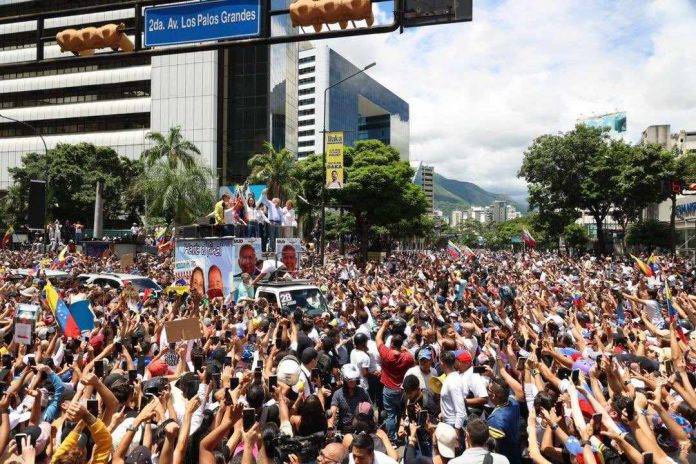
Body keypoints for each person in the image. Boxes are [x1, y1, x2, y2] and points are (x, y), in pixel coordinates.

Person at [376, 319, 415, 441]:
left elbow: (378, 339)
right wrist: (404, 350)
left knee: (391, 414)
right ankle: (405, 433)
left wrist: (383, 325)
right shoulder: (407, 357)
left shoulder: (386, 354)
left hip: (389, 390)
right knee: (403, 412)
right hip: (403, 390)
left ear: (391, 343)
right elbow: (413, 360)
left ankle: (392, 438)